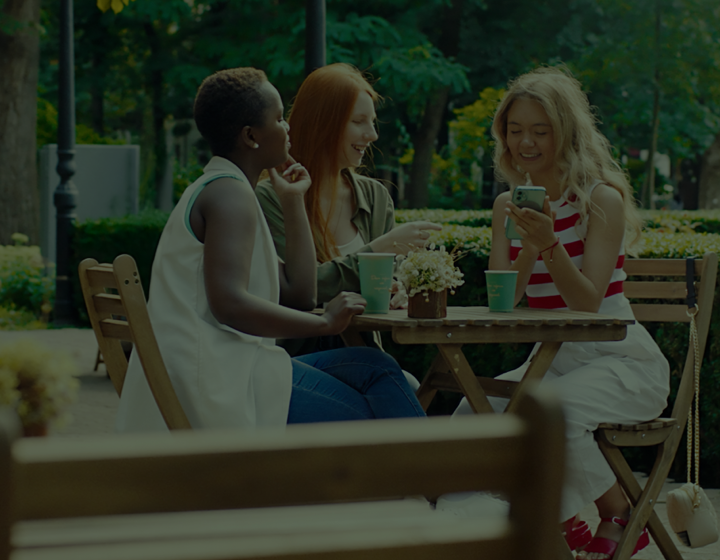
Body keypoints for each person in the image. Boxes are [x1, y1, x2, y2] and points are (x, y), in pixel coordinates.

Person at [116, 67, 425, 432]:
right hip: (220, 379)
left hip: (234, 367)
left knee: (378, 369)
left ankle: (426, 483)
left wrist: (293, 202)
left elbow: (299, 293)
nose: (288, 127)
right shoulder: (229, 196)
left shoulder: (228, 189)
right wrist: (324, 322)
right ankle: (434, 480)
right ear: (251, 136)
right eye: (279, 118)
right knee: (378, 413)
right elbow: (228, 304)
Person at [453, 67, 669, 560]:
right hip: (554, 360)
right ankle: (563, 520)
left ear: (565, 132)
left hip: (621, 359)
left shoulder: (601, 200)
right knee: (472, 414)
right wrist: (529, 243)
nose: (525, 142)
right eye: (515, 130)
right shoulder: (508, 205)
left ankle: (619, 516)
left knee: (555, 415)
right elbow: (504, 301)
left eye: (539, 130)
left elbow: (589, 302)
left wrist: (550, 243)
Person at [256, 63, 441, 361]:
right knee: (397, 382)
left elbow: (382, 291)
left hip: (364, 354)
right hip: (293, 359)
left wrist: (397, 291)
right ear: (322, 123)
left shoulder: (376, 198)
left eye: (373, 122)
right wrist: (379, 249)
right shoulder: (272, 198)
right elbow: (300, 290)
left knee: (405, 382)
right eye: (359, 121)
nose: (372, 135)